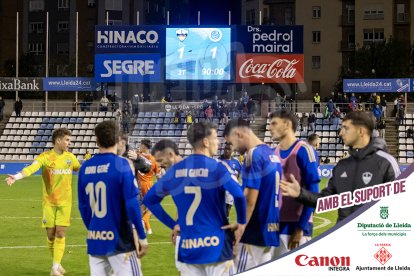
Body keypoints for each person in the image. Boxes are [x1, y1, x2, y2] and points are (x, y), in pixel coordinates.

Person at [143, 122, 247, 276]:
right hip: (216, 246)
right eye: (215, 138)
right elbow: (238, 195)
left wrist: (174, 224)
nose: (218, 142)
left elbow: (149, 200)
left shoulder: (175, 171)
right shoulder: (217, 167)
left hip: (188, 246)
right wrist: (242, 223)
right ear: (205, 142)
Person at [281, 111, 401, 222]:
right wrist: (300, 194)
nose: (340, 132)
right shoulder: (342, 166)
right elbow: (325, 201)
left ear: (361, 131)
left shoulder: (386, 163)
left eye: (346, 128)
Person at [5, 128, 81, 276]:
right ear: (58, 140)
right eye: (67, 140)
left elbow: (81, 169)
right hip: (49, 203)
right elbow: (32, 168)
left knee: (60, 232)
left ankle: (54, 267)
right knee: (51, 235)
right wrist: (17, 176)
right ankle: (57, 264)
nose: (69, 143)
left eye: (69, 140)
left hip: (65, 203)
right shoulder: (45, 157)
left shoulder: (70, 158)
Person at [78, 121, 148, 276]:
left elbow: (83, 207)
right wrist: (142, 237)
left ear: (96, 141)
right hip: (120, 241)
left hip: (96, 240)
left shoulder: (85, 167)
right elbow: (132, 205)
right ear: (118, 140)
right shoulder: (122, 165)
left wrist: (94, 229)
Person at [224, 118, 283, 272]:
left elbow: (251, 197)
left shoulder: (253, 155)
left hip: (253, 233)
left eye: (232, 143)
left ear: (238, 134)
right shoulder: (272, 155)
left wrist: (241, 227)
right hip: (269, 230)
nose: (234, 149)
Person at [268, 110, 320, 256]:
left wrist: (300, 228)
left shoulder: (304, 151)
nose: (270, 128)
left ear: (287, 125)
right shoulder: (272, 153)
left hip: (296, 226)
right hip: (274, 225)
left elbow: (313, 192)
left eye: (274, 124)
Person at [150, 139, 184, 273]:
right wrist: (175, 224)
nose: (159, 165)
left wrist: (173, 224)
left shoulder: (173, 174)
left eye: (160, 160)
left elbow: (149, 200)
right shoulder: (198, 167)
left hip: (189, 235)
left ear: (170, 154)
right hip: (209, 236)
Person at [130, 139, 161, 234]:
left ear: (144, 146)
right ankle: (143, 221)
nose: (139, 146)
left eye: (140, 145)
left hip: (137, 184)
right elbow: (158, 176)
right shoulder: (153, 160)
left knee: (142, 206)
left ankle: (147, 228)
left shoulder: (136, 156)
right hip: (148, 185)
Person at [219, 142, 242, 217]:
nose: (227, 151)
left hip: (230, 189)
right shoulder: (219, 161)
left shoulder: (236, 162)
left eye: (229, 149)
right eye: (226, 149)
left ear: (233, 151)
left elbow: (239, 173)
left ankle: (225, 225)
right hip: (220, 188)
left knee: (227, 209)